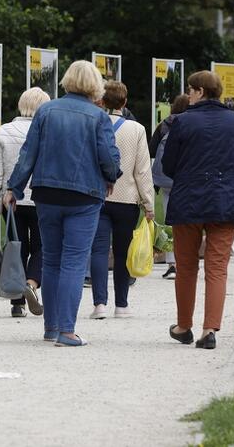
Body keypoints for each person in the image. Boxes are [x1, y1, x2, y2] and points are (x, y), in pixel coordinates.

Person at [5, 61, 121, 347]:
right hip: (84, 195)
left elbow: (28, 153)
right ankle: (67, 331)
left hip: (46, 194)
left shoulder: (46, 111)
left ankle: (51, 327)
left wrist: (14, 187)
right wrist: (111, 176)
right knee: (73, 260)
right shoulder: (98, 117)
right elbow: (108, 157)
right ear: (95, 85)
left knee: (52, 259)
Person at [161, 71, 234, 350]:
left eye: (190, 90)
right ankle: (209, 328)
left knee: (186, 266)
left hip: (188, 199)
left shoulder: (182, 122)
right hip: (226, 199)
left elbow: (168, 166)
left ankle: (183, 326)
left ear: (200, 91)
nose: (188, 95)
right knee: (217, 268)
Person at [0, 87, 51, 317]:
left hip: (12, 201)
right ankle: (31, 283)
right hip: (41, 199)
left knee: (15, 246)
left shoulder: (4, 131)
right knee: (41, 247)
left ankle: (17, 302)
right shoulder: (48, 131)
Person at [89, 81, 155, 319]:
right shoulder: (137, 130)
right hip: (127, 200)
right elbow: (142, 170)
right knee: (122, 252)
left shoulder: (93, 124)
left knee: (98, 250)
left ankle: (99, 304)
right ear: (125, 102)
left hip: (98, 197)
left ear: (102, 101)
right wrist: (148, 204)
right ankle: (122, 304)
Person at [149, 93, 191, 279]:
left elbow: (151, 151)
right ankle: (185, 262)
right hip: (187, 180)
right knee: (188, 222)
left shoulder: (164, 125)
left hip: (167, 181)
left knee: (169, 221)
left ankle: (172, 263)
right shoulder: (193, 124)